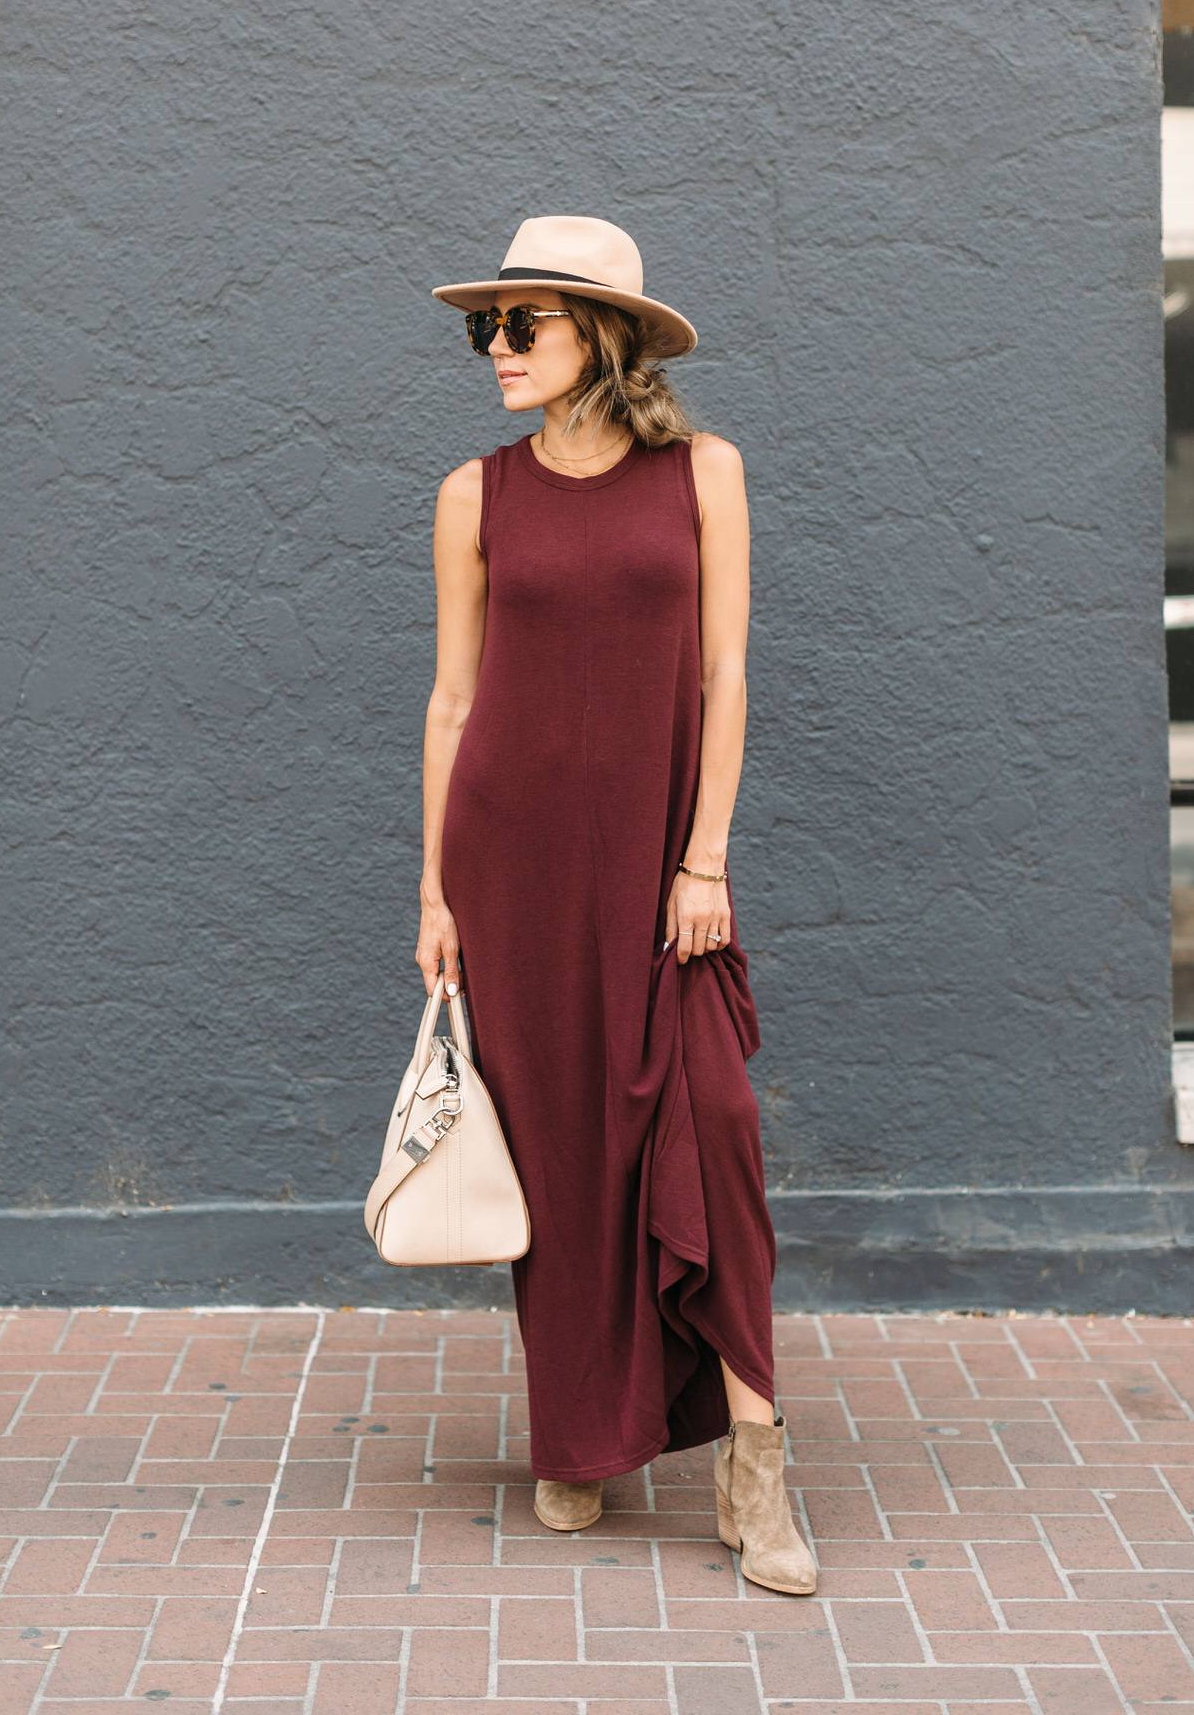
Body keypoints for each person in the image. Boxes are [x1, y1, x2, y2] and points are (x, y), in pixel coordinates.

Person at [416, 216, 817, 1596]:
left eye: (522, 324)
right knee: (561, 1149)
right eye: (488, 327)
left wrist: (705, 860)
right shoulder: (474, 495)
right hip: (513, 867)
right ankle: (581, 1433)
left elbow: (725, 675)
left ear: (604, 336)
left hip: (661, 867)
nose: (497, 349)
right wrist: (435, 889)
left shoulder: (706, 473)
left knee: (717, 1127)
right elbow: (453, 701)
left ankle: (755, 1462)